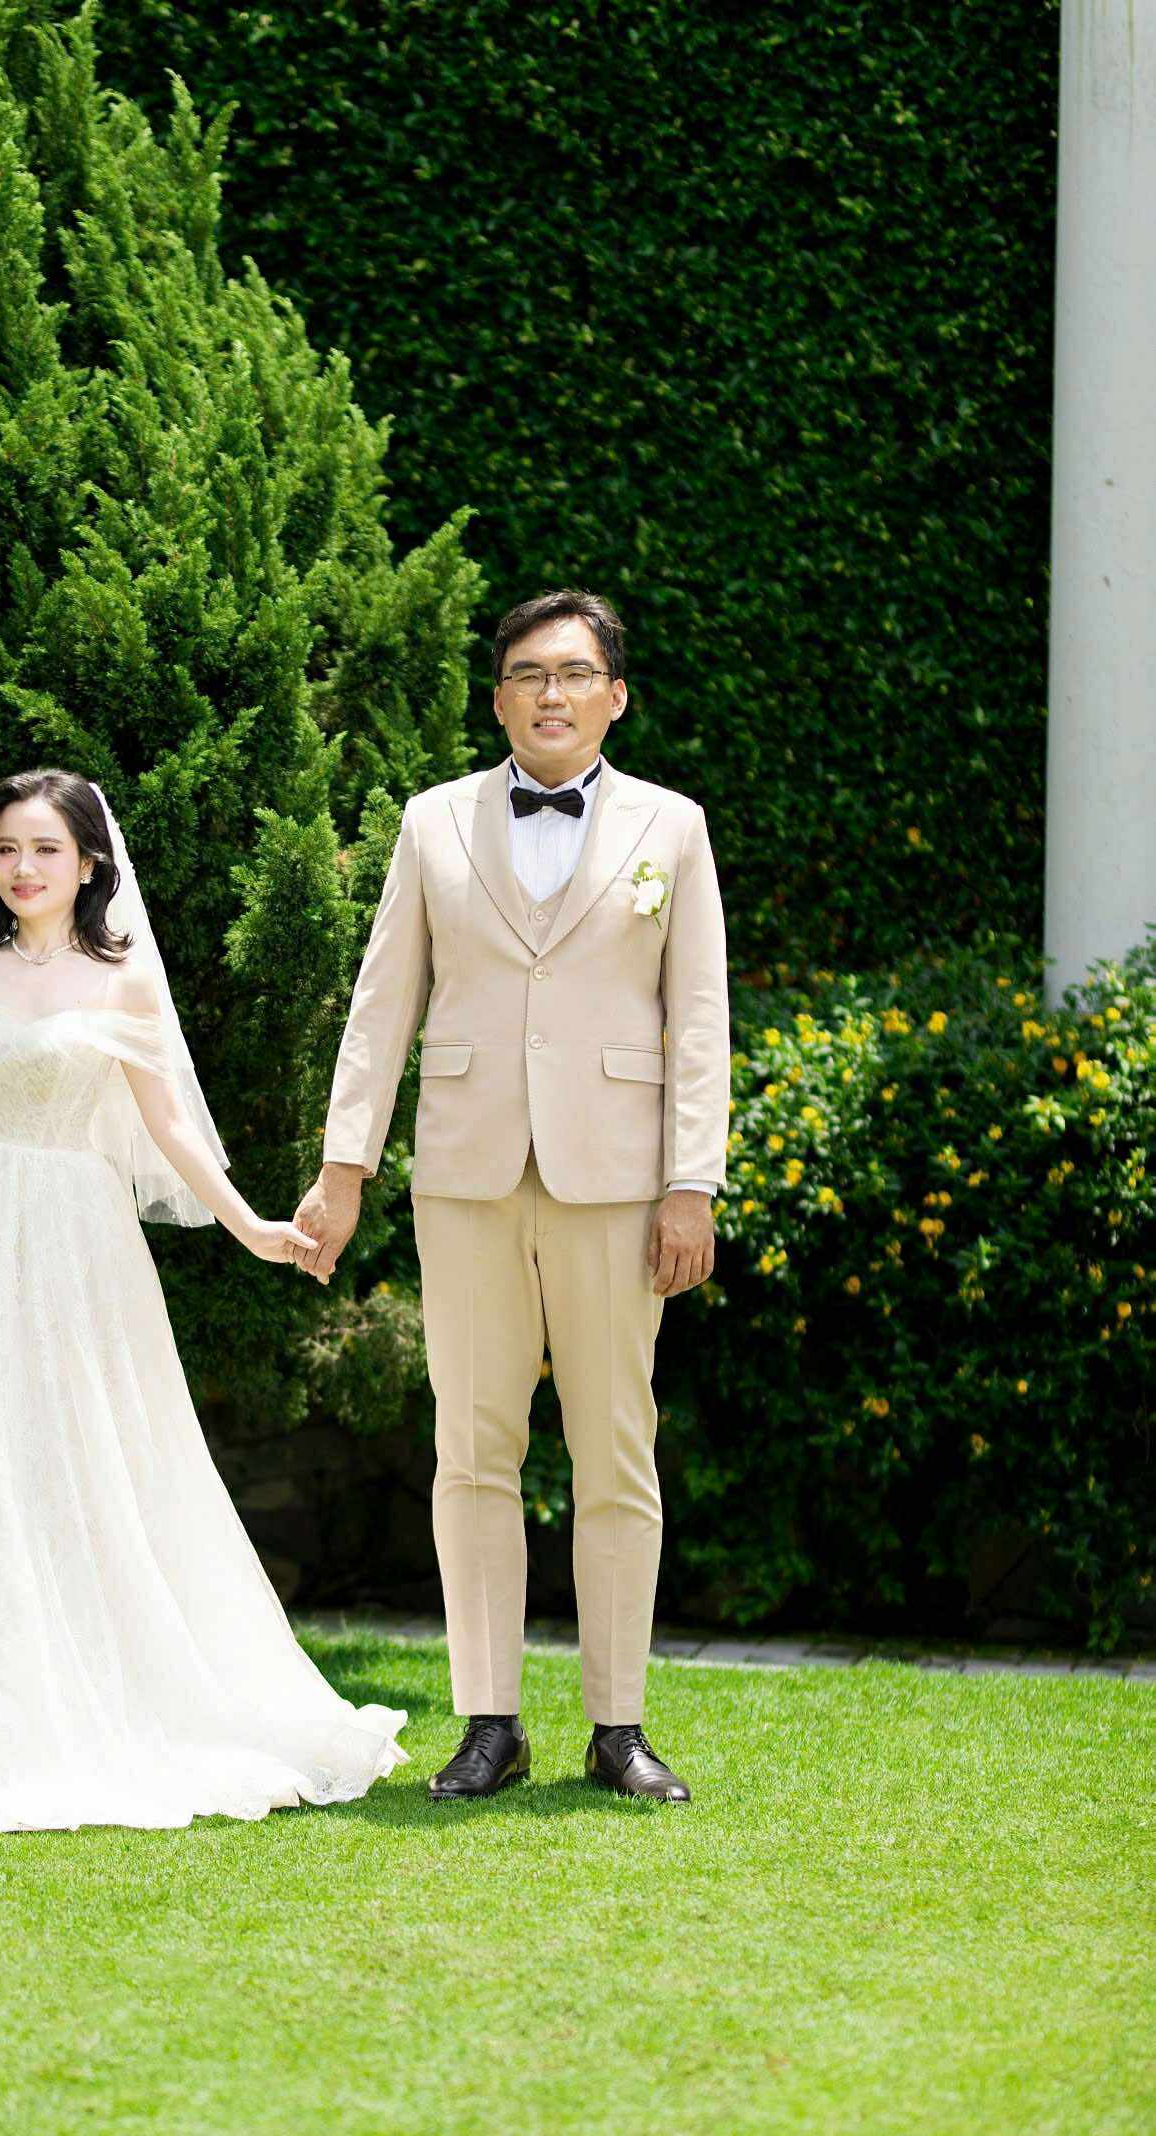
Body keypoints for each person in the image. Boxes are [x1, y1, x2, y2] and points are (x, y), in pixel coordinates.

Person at [0, 770, 407, 1831]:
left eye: (45, 849)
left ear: (88, 864)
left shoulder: (121, 985)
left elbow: (168, 1128)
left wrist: (251, 1225)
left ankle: (78, 1693)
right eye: (6, 849)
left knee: (69, 1447)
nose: (22, 868)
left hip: (69, 1239)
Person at [294, 589, 730, 1803]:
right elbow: (381, 1007)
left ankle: (618, 1728)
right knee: (473, 1449)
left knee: (617, 1449)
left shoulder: (674, 827)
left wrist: (690, 1182)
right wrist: (343, 1169)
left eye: (575, 672)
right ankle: (490, 1721)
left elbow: (699, 1018)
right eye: (529, 673)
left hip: (618, 1182)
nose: (551, 693)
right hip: (468, 1176)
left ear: (615, 695)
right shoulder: (432, 822)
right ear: (497, 699)